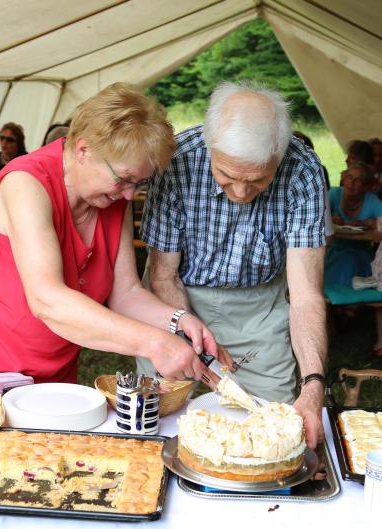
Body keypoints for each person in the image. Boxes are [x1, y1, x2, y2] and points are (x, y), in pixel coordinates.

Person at [0, 83, 223, 396]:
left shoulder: (112, 198)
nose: (130, 194)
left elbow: (126, 293)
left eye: (140, 183)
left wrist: (176, 320)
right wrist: (154, 343)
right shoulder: (25, 184)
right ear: (83, 150)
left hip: (50, 375)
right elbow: (47, 300)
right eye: (124, 179)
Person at [137, 81, 328, 449]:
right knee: (160, 418)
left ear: (279, 154)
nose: (240, 193)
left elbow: (305, 295)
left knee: (273, 425)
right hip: (175, 299)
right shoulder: (176, 161)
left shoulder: (304, 172)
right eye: (226, 176)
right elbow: (163, 274)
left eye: (257, 180)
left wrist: (314, 383)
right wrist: (195, 348)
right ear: (210, 145)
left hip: (260, 309)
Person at [324, 162, 382, 287]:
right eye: (349, 177)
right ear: (344, 179)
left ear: (366, 186)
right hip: (332, 253)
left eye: (358, 180)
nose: (352, 183)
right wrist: (330, 218)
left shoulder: (370, 200)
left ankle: (339, 298)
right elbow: (318, 214)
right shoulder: (334, 194)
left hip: (360, 254)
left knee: (348, 260)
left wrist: (366, 222)